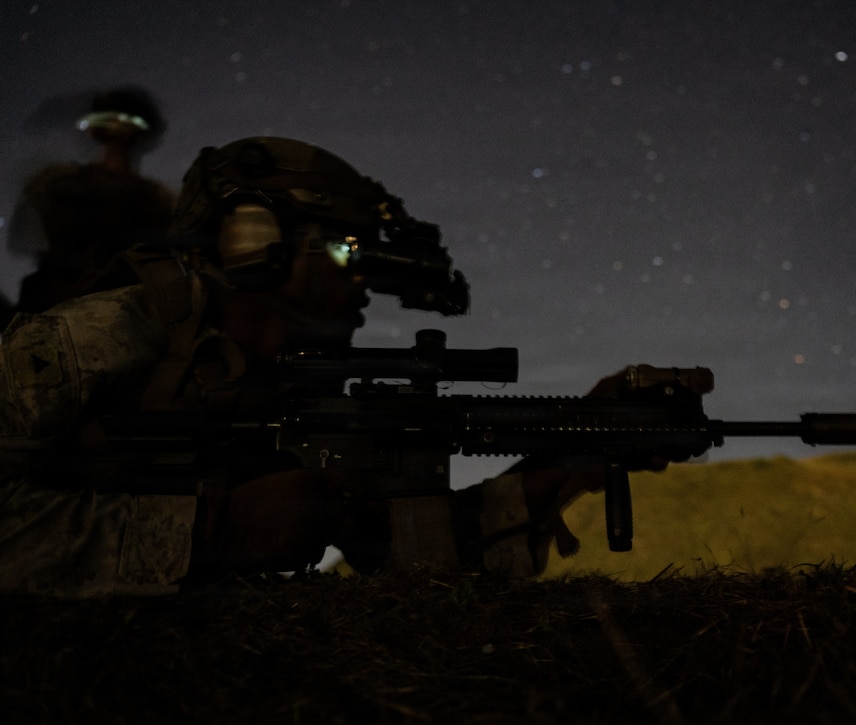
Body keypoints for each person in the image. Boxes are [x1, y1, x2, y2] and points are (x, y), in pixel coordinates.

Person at [0, 137, 613, 597]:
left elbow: (426, 561)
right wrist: (212, 530)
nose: (365, 282)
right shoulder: (96, 337)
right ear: (255, 241)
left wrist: (565, 458)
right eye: (347, 250)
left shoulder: (299, 382)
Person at [2, 87, 175, 328]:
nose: (117, 127)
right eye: (109, 121)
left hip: (132, 314)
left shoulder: (160, 199)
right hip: (63, 311)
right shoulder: (58, 183)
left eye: (125, 120)